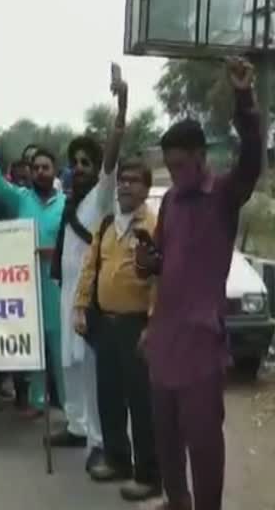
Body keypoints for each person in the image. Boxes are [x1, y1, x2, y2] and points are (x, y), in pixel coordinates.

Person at [136, 57, 261, 510]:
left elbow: (251, 157)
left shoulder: (224, 195)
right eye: (170, 164)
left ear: (202, 158)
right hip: (164, 339)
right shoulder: (170, 200)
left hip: (202, 345)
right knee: (165, 437)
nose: (178, 173)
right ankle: (177, 501)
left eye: (183, 164)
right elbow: (166, 261)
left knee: (204, 444)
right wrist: (150, 262)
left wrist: (244, 98)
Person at [49, 77, 128, 472]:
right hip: (67, 296)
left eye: (86, 163)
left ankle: (100, 441)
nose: (78, 168)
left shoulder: (100, 197)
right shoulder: (69, 203)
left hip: (91, 298)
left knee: (92, 370)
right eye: (74, 162)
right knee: (70, 366)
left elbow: (112, 157)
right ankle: (77, 426)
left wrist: (121, 110)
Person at [74, 159, 161, 502]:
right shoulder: (107, 223)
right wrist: (80, 306)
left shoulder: (154, 226)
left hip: (137, 325)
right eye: (122, 180)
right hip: (105, 323)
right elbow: (90, 268)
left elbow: (158, 279)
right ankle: (117, 459)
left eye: (134, 181)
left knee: (142, 402)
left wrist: (153, 324)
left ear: (146, 187)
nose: (125, 186)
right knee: (108, 395)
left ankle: (148, 474)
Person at [0, 137, 65, 418]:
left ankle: (70, 407)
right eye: (35, 168)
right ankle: (37, 401)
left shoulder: (66, 203)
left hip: (57, 284)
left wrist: (55, 253)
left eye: (45, 167)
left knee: (59, 348)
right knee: (34, 345)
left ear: (55, 171)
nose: (39, 172)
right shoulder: (21, 199)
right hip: (28, 284)